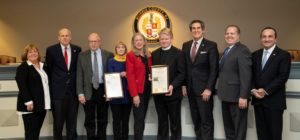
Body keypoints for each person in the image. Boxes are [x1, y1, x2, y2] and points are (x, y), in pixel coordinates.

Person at [181, 19, 219, 140]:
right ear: (191, 31)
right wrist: (183, 85)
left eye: (198, 28)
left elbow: (214, 70)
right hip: (191, 90)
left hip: (204, 91)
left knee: (206, 121)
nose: (196, 30)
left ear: (203, 30)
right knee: (196, 120)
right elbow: (184, 67)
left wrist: (209, 88)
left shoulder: (211, 45)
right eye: (193, 28)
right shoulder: (186, 45)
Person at [251, 27, 291, 140]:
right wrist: (253, 89)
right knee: (261, 134)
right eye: (264, 36)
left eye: (270, 36)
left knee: (274, 134)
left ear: (276, 39)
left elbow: (282, 77)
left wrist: (265, 91)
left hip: (274, 102)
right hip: (258, 100)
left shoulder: (283, 55)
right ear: (260, 39)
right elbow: (251, 75)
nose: (266, 39)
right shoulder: (255, 55)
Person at [45, 28, 81, 140]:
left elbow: (77, 70)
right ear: (58, 37)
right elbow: (49, 70)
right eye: (62, 35)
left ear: (70, 37)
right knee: (58, 123)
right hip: (58, 93)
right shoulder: (51, 50)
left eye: (67, 35)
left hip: (73, 92)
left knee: (72, 122)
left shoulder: (77, 49)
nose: (65, 37)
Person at [217, 25, 252, 140]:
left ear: (238, 36)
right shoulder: (227, 50)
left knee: (239, 130)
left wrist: (243, 96)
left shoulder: (243, 50)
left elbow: (246, 75)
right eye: (227, 33)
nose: (229, 35)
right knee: (229, 129)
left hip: (237, 98)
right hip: (225, 96)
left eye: (232, 33)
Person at [76, 33, 113, 140]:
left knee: (103, 117)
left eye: (95, 41)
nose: (93, 44)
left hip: (103, 89)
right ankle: (90, 137)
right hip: (88, 90)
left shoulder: (108, 55)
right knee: (89, 118)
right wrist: (80, 93)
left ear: (99, 42)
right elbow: (79, 76)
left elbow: (111, 75)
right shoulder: (82, 56)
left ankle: (102, 137)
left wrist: (110, 92)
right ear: (88, 43)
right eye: (91, 41)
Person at [151, 28, 185, 140]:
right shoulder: (154, 54)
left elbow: (182, 73)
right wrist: (151, 77)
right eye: (162, 39)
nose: (164, 41)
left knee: (175, 122)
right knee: (162, 121)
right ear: (159, 40)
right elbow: (153, 71)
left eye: (166, 38)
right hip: (158, 95)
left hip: (173, 94)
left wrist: (172, 86)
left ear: (171, 39)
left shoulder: (179, 53)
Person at [15, 44, 51, 140]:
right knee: (31, 132)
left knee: (36, 131)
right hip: (30, 106)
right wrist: (28, 101)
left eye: (35, 51)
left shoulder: (43, 66)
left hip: (41, 105)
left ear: (38, 53)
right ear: (26, 55)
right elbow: (22, 86)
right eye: (30, 52)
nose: (33, 53)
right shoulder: (23, 67)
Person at [126, 33, 152, 140]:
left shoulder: (148, 55)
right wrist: (135, 95)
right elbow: (130, 76)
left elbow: (150, 70)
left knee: (142, 118)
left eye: (141, 40)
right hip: (138, 92)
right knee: (139, 119)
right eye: (136, 40)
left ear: (144, 41)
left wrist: (151, 76)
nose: (139, 42)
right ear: (133, 42)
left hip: (147, 91)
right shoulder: (131, 55)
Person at [107, 41, 131, 140]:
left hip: (128, 93)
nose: (120, 49)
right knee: (116, 119)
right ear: (116, 50)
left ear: (125, 49)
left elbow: (133, 75)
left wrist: (127, 74)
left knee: (125, 120)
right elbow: (109, 77)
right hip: (115, 94)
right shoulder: (111, 61)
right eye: (118, 47)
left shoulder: (129, 61)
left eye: (122, 47)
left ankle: (125, 138)